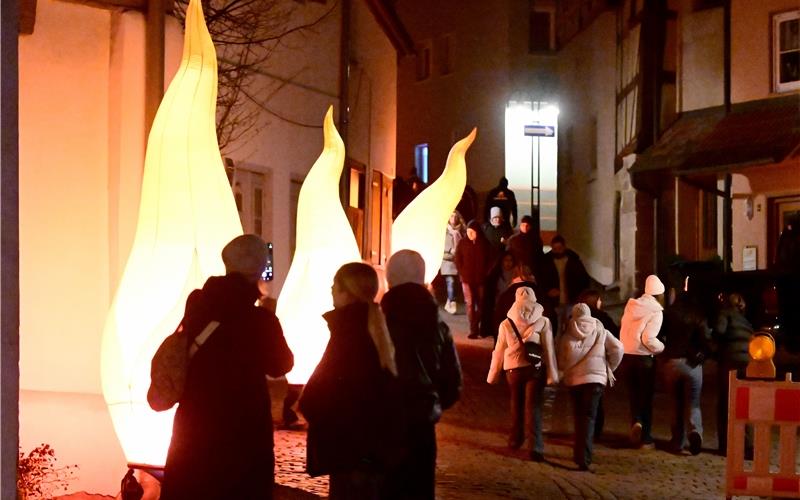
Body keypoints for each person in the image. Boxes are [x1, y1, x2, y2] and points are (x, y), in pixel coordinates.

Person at [161, 234, 294, 500]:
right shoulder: (260, 321)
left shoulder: (198, 303)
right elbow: (282, 364)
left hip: (196, 421)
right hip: (242, 429)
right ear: (258, 270)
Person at [298, 262, 401, 499]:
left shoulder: (349, 331)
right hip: (369, 446)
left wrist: (312, 407)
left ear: (349, 291)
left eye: (336, 285)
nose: (331, 290)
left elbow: (324, 388)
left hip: (348, 445)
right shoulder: (374, 327)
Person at [381, 250, 463, 500]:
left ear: (389, 279)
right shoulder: (437, 325)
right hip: (422, 423)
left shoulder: (378, 323)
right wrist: (432, 402)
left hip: (384, 423)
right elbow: (452, 384)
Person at [487, 287, 558, 462]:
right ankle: (535, 447)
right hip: (534, 369)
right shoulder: (543, 322)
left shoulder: (506, 323)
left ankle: (514, 439)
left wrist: (493, 374)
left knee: (516, 405)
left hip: (513, 369)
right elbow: (549, 350)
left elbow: (499, 350)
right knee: (533, 407)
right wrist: (552, 373)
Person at [559, 303, 624, 471]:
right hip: (595, 380)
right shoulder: (600, 330)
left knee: (578, 418)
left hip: (575, 382)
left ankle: (579, 454)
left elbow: (561, 359)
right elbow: (618, 348)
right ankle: (584, 458)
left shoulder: (567, 334)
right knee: (589, 418)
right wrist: (609, 366)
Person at [661, 288, 711, 455]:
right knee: (694, 402)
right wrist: (701, 357)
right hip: (692, 365)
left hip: (672, 362)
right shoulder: (698, 315)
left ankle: (677, 441)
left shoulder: (669, 314)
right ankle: (695, 432)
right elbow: (706, 340)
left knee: (675, 402)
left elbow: (660, 335)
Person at [619, 274, 665, 449]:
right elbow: (648, 338)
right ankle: (645, 438)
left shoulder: (631, 307)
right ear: (660, 295)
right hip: (644, 360)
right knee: (646, 398)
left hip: (627, 357)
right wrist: (661, 347)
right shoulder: (656, 312)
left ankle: (636, 422)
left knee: (633, 396)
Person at [713, 292, 753, 454]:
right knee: (745, 403)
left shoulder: (725, 314)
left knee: (725, 403)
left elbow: (719, 332)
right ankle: (749, 446)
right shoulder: (746, 321)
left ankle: (725, 445)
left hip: (730, 363)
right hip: (748, 364)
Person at [576, 289, 619, 439]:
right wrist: (611, 366)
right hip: (597, 367)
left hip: (576, 369)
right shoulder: (603, 320)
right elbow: (617, 343)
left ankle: (582, 433)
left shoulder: (573, 321)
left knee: (579, 403)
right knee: (596, 402)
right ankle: (594, 432)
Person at [542, 235, 591, 332]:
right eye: (555, 249)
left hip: (572, 300)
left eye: (559, 248)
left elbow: (584, 279)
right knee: (555, 328)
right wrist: (547, 291)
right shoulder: (546, 262)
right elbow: (541, 280)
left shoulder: (574, 261)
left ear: (564, 247)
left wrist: (579, 294)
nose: (557, 251)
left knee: (572, 328)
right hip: (554, 302)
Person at [455, 220, 490, 339]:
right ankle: (473, 329)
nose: (470, 234)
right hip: (467, 279)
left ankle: (478, 325)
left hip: (481, 279)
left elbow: (492, 259)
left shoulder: (484, 243)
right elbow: (457, 259)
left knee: (481, 304)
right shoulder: (462, 243)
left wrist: (486, 272)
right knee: (470, 304)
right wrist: (462, 272)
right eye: (468, 232)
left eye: (472, 232)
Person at [480, 251, 518, 338]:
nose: (508, 263)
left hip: (513, 308)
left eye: (510, 260)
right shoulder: (495, 275)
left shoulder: (517, 274)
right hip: (498, 308)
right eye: (506, 260)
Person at [441, 210, 466, 315]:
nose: (453, 219)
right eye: (451, 216)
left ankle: (449, 301)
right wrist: (450, 251)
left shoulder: (462, 231)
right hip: (447, 261)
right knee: (450, 282)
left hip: (458, 262)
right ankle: (452, 302)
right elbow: (440, 247)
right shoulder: (444, 231)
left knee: (455, 284)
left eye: (455, 216)